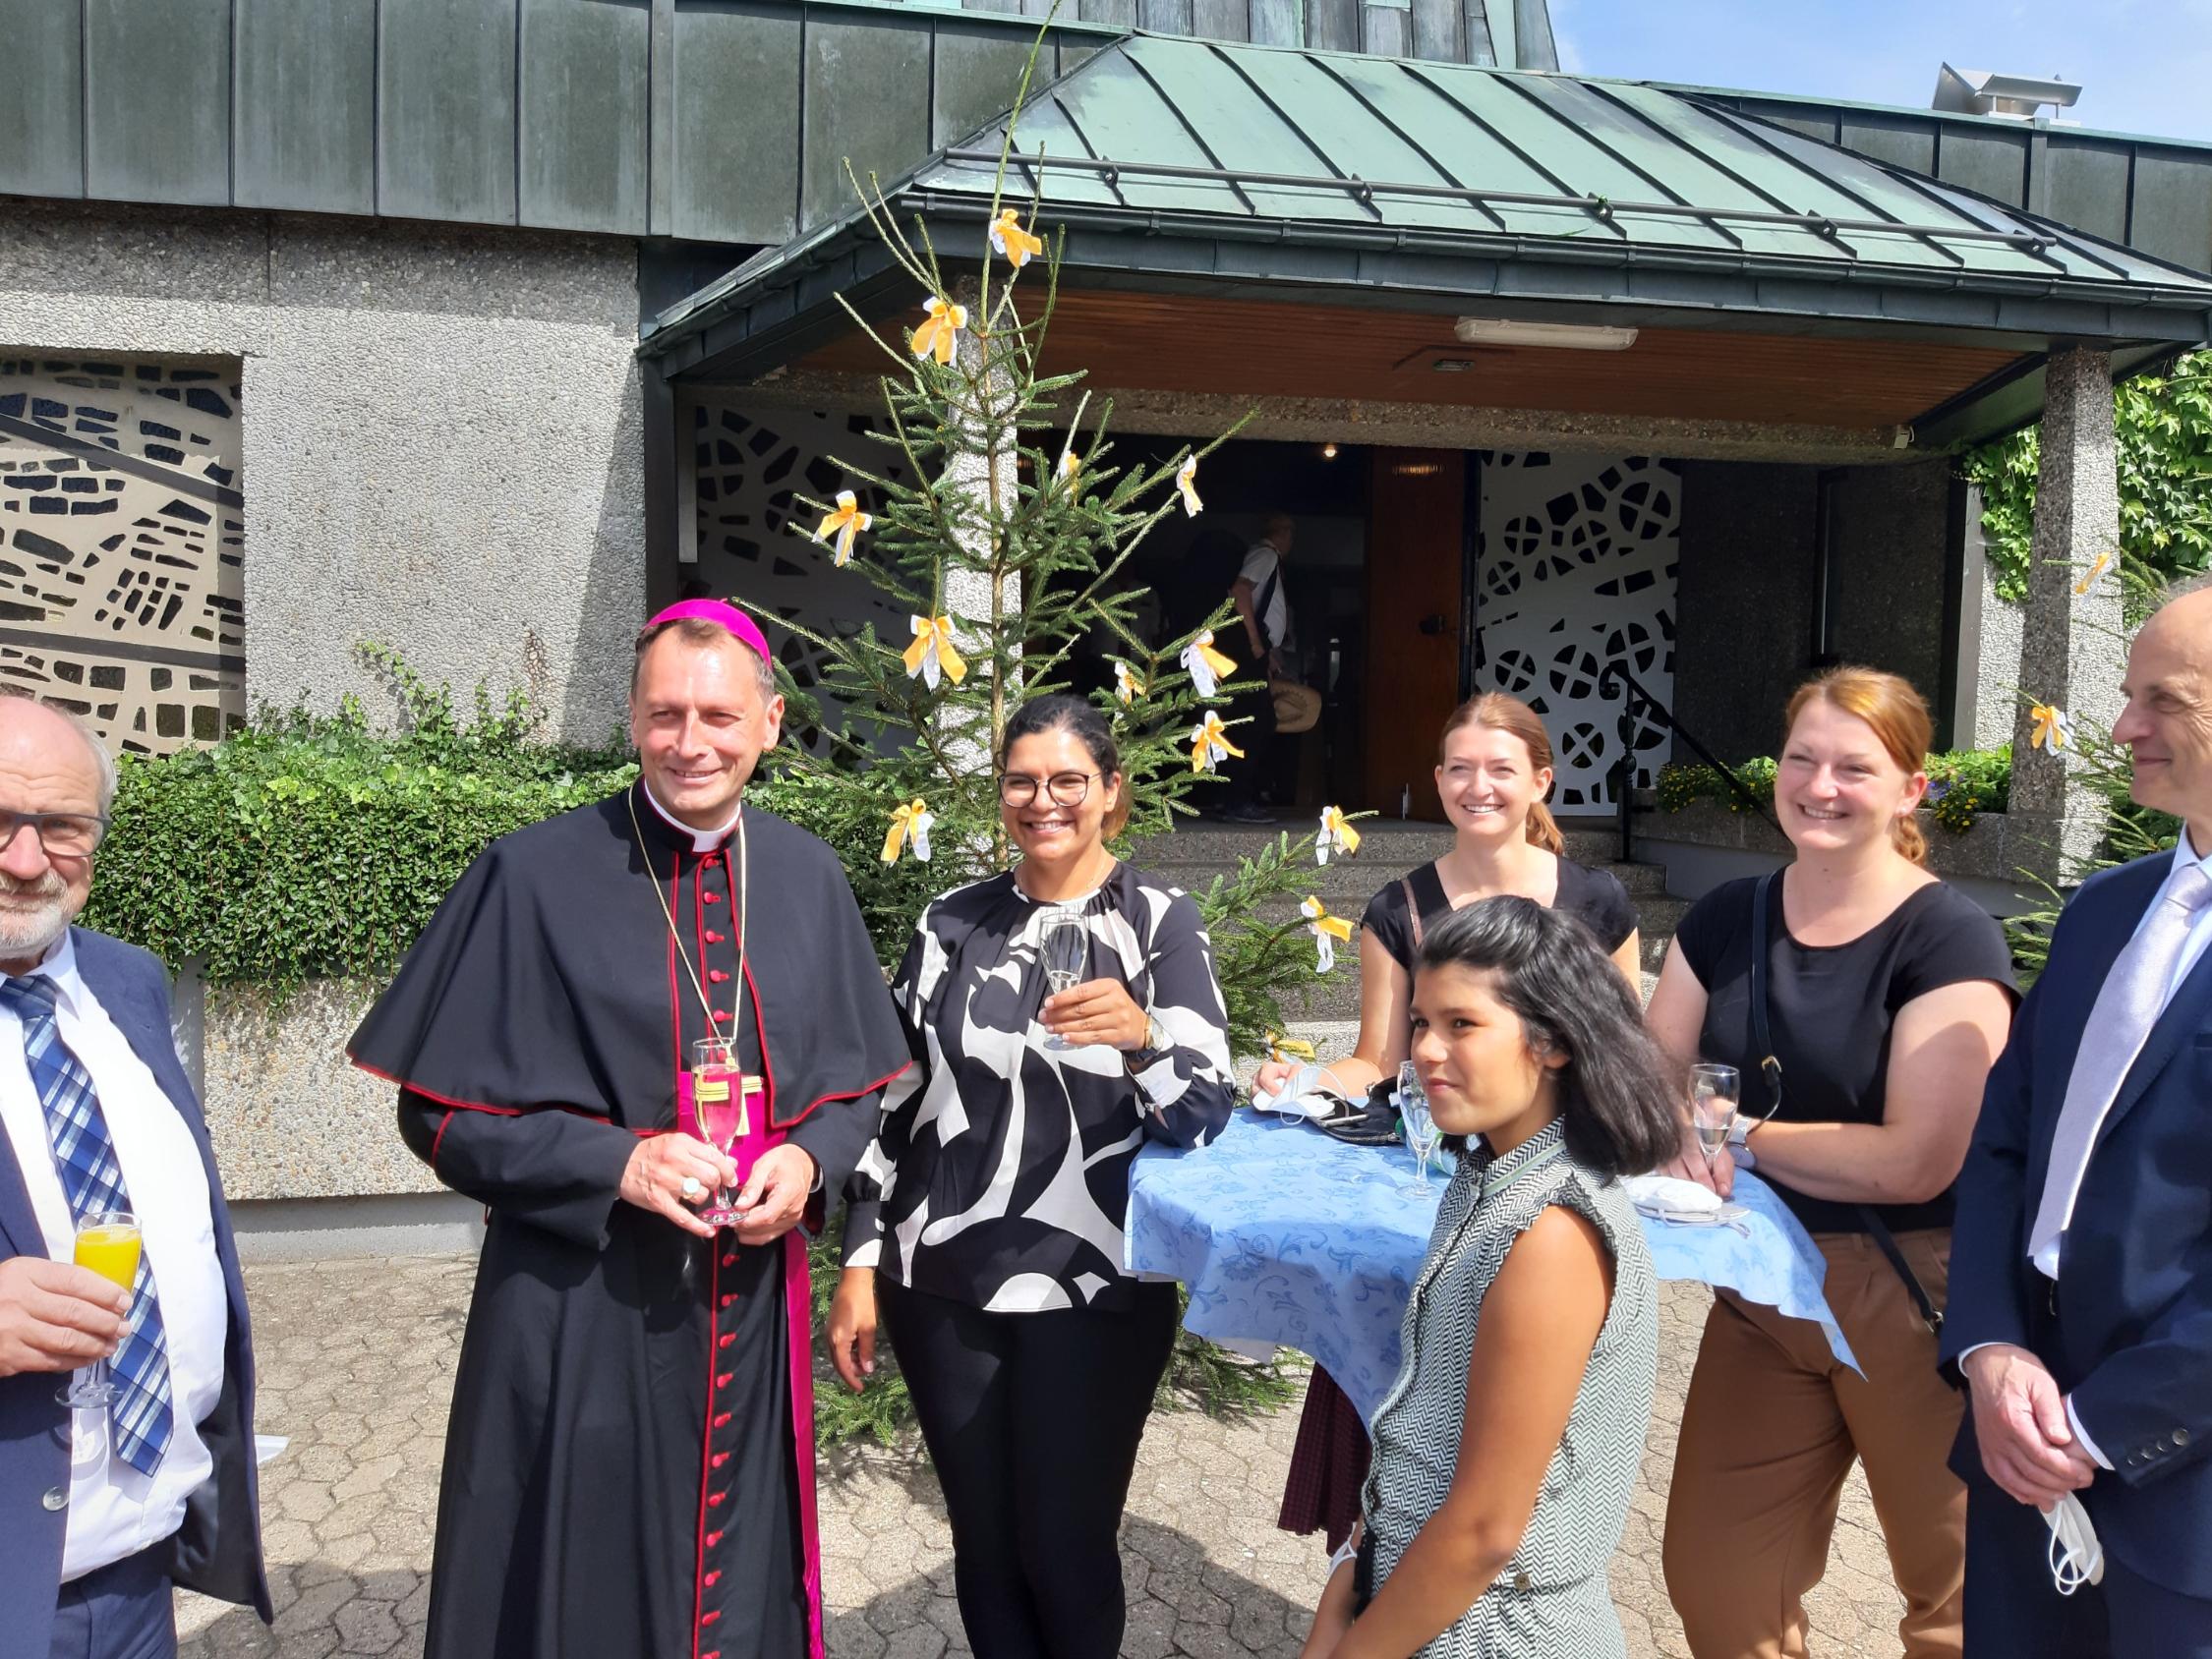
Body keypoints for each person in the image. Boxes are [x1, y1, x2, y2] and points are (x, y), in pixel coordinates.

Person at [346, 600, 910, 1659]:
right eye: (664, 714)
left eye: (717, 715)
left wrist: (806, 1159)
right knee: (577, 1575)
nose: (690, 741)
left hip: (748, 1306)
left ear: (771, 721)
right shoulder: (532, 872)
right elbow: (437, 1114)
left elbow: (855, 1088)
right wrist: (617, 1159)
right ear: (632, 719)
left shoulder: (807, 874)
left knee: (741, 1590)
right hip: (580, 1303)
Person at [825, 694, 1236, 1659]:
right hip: (941, 1281)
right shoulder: (952, 920)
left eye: (1066, 780)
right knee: (989, 1547)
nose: (1041, 799)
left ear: (1109, 794)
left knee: (1065, 1544)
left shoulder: (1158, 921)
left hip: (1097, 1283)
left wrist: (1143, 1035)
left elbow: (1207, 1111)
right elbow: (894, 1097)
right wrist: (857, 1257)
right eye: (1021, 780)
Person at [1645, 667, 2016, 1659]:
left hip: (1909, 1288)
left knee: (1957, 1600)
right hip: (1762, 1286)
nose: (1820, 784)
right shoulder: (1727, 915)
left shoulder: (1947, 935)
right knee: (1718, 1576)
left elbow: (1914, 1157)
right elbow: (1649, 1077)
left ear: (1911, 789)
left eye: (1856, 765)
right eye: (1802, 758)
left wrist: (1729, 1137)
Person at [1254, 691, 1642, 1552]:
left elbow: (1625, 1047)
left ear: (1541, 779)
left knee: (1541, 1412)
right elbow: (1378, 1061)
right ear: (1437, 781)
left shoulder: (1600, 901)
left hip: (1562, 1176)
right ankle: (1390, 1558)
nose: (1479, 787)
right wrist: (1302, 1079)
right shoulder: (1400, 907)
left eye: (1502, 770)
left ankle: (1514, 1563)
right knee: (1424, 1391)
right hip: (1436, 1183)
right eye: (1460, 769)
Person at [1943, 583, 2212, 1655]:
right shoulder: (2107, 907)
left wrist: (2098, 1428)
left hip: (2181, 1490)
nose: (2122, 728)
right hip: (2020, 1437)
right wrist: (1990, 1343)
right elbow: (2006, 1140)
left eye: (2165, 699)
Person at [1302, 897, 1677, 1659]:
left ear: (1554, 1043)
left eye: (1462, 1025)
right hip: (1425, 1600)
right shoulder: (1490, 1174)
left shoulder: (1551, 1231)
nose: (1427, 1052)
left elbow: (1485, 1532)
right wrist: (1353, 1567)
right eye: (1419, 1023)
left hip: (1492, 1632)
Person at [0, 694, 269, 1659]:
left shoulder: (126, 979)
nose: (27, 858)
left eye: (62, 826)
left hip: (137, 1572)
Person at [1218, 513, 1296, 824]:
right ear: (1283, 533)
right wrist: (1254, 642)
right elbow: (1240, 591)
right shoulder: (1265, 554)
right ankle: (1238, 798)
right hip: (1249, 647)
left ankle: (1234, 796)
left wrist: (1267, 656)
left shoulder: (1267, 558)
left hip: (1258, 650)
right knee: (1255, 723)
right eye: (1291, 534)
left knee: (1255, 720)